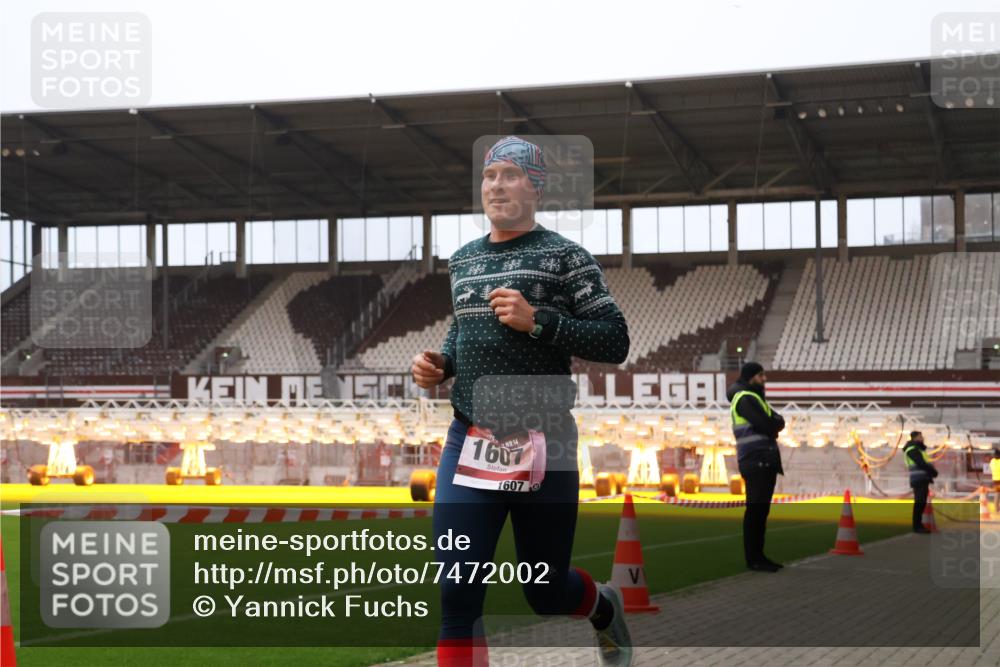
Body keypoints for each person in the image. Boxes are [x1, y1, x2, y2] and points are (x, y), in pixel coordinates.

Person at [411, 136, 633, 667]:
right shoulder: (463, 260)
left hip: (544, 443)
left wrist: (540, 322)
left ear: (537, 186)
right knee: (457, 594)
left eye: (509, 174)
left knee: (545, 589)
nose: (495, 186)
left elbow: (615, 340)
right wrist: (441, 365)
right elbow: (463, 334)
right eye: (489, 177)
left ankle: (602, 607)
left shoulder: (565, 256)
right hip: (471, 439)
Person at [726, 362, 786, 572]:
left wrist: (774, 424)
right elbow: (769, 424)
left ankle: (759, 557)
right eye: (761, 375)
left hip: (762, 459)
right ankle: (754, 559)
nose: (764, 379)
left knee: (760, 512)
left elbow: (778, 421)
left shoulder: (755, 398)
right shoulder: (746, 399)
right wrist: (774, 425)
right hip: (756, 458)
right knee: (756, 512)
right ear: (751, 377)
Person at [902, 431, 939, 534]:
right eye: (920, 436)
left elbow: (924, 462)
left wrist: (930, 471)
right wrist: (933, 471)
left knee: (921, 502)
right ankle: (917, 526)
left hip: (921, 478)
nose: (922, 438)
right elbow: (921, 463)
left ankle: (918, 525)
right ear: (915, 438)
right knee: (919, 502)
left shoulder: (917, 449)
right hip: (918, 478)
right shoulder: (912, 450)